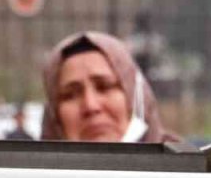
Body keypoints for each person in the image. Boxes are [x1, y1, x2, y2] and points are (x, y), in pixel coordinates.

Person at [40, 31, 179, 143]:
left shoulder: (185, 167)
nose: (91, 106)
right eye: (70, 95)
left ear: (135, 95)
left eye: (104, 87)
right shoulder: (32, 170)